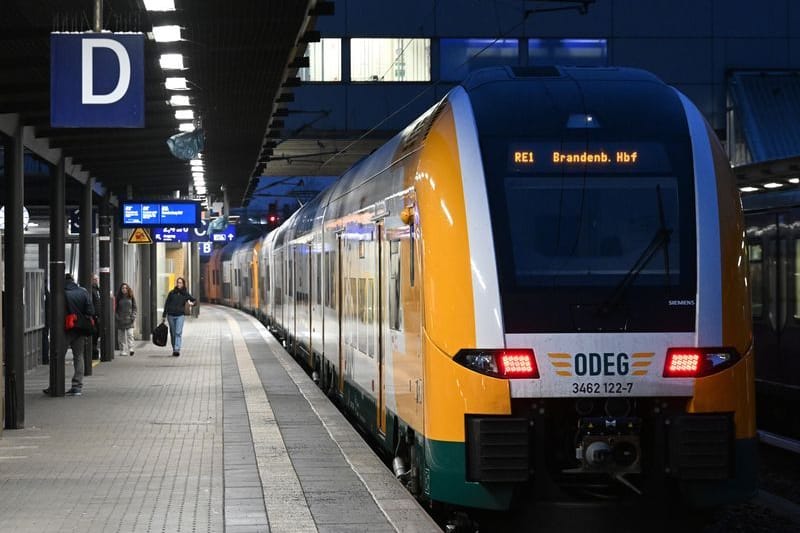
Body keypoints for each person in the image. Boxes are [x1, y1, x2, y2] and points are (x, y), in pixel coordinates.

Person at [44, 273, 95, 396]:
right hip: (80, 328)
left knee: (58, 355)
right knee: (79, 356)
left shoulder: (59, 293)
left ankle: (56, 384)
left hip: (64, 329)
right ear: (73, 281)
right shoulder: (83, 292)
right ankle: (77, 386)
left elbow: (53, 312)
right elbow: (91, 311)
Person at [162, 277, 196, 357]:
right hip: (170, 315)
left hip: (180, 315)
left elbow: (194, 300)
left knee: (178, 333)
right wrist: (164, 315)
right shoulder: (172, 293)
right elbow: (166, 304)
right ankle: (174, 348)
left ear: (183, 284)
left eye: (180, 283)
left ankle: (177, 349)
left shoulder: (185, 294)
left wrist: (192, 304)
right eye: (178, 282)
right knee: (173, 333)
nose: (178, 284)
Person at [115, 283, 137, 356]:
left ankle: (131, 348)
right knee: (121, 336)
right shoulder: (118, 298)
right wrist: (117, 316)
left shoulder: (131, 297)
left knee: (130, 334)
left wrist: (133, 316)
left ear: (128, 289)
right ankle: (122, 350)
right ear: (121, 290)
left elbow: (134, 307)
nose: (124, 289)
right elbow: (115, 309)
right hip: (120, 319)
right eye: (123, 288)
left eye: (125, 288)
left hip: (129, 319)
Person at [90, 274, 101, 359]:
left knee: (97, 335)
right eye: (94, 279)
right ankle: (93, 352)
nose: (96, 280)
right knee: (94, 334)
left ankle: (95, 352)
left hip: (98, 316)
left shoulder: (98, 290)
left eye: (97, 279)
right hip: (94, 316)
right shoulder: (91, 290)